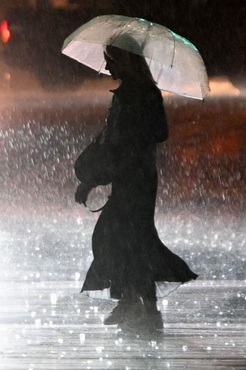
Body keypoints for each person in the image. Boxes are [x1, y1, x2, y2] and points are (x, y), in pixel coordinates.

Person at [74, 39, 198, 334]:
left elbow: (159, 132)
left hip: (138, 177)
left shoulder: (144, 94)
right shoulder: (123, 95)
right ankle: (142, 304)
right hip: (126, 174)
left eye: (112, 59)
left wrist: (132, 131)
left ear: (126, 61)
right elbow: (112, 138)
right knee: (133, 239)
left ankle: (133, 301)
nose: (107, 66)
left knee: (117, 236)